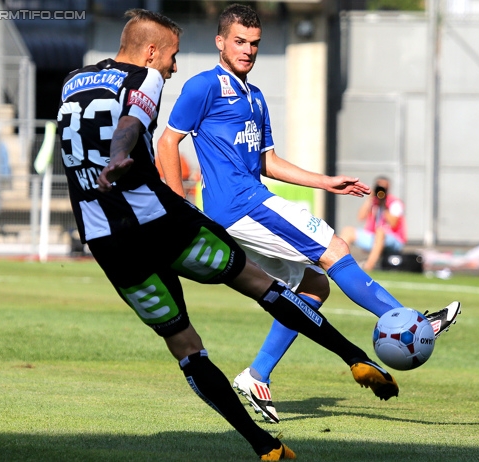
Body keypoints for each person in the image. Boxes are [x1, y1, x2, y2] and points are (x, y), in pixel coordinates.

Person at [57, 9, 400, 461]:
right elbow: (135, 126)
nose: (174, 67)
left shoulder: (70, 81)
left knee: (186, 348)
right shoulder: (146, 75)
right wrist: (122, 155)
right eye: (172, 57)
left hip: (106, 240)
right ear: (152, 50)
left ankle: (265, 447)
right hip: (161, 221)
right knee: (262, 284)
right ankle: (355, 356)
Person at [157, 3, 461, 425]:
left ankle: (257, 374)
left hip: (251, 200)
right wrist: (180, 208)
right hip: (243, 205)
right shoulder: (203, 86)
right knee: (334, 248)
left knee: (316, 286)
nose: (248, 50)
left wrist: (324, 181)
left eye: (255, 43)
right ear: (220, 42)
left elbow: (268, 161)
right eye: (240, 42)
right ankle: (408, 319)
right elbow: (167, 143)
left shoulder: (256, 97)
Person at [339, 176, 407, 271]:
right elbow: (360, 217)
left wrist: (383, 205)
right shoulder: (372, 202)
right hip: (373, 237)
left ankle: (368, 267)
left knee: (380, 232)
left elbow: (393, 223)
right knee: (348, 231)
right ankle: (340, 265)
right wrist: (369, 199)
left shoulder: (395, 203)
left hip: (393, 239)